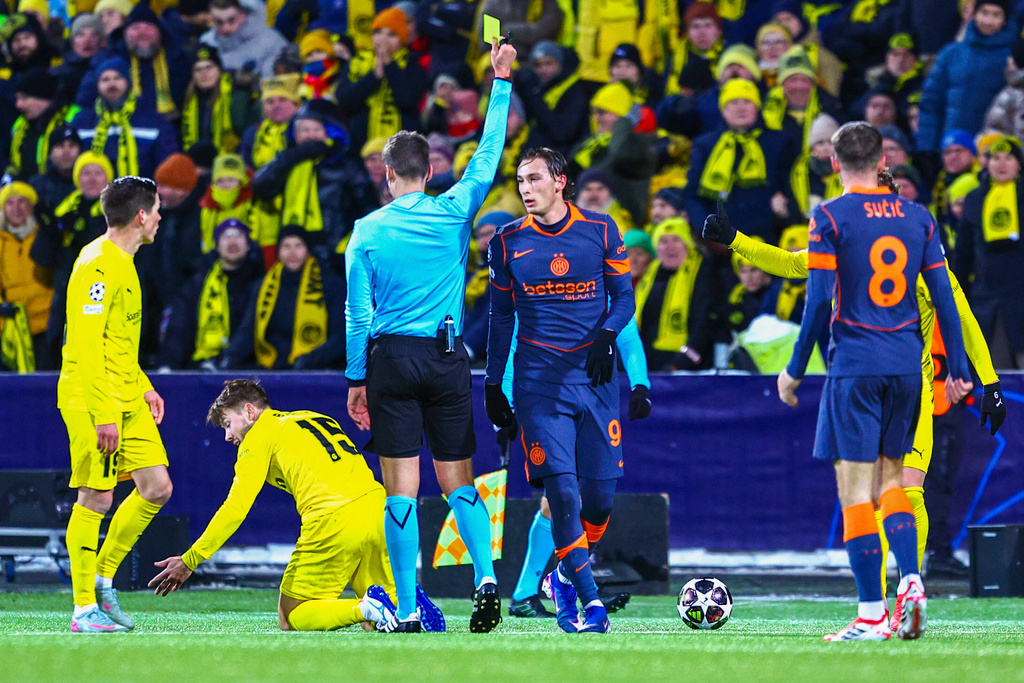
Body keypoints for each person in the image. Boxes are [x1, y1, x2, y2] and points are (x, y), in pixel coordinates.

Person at [705, 169, 1004, 598]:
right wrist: (988, 382)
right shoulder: (917, 250)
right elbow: (960, 316)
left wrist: (736, 240)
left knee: (871, 492)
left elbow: (793, 267)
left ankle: (879, 600)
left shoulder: (841, 241)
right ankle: (907, 588)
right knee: (903, 492)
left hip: (863, 380)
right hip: (907, 385)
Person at [773, 122, 973, 641]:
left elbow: (818, 301)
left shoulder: (830, 217)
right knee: (893, 484)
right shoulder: (919, 218)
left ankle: (870, 615)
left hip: (856, 366)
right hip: (909, 368)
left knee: (855, 492)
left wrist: (795, 369)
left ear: (834, 163)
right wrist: (958, 370)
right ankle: (911, 578)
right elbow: (945, 299)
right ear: (882, 156)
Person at [344, 38, 516, 634]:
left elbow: (356, 315)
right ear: (433, 171)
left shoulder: (366, 230)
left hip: (390, 358)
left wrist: (355, 379)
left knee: (401, 490)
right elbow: (490, 153)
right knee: (458, 481)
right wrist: (500, 81)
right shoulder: (454, 211)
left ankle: (410, 605)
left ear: (388, 174)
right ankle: (487, 581)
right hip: (446, 356)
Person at [484, 146, 636, 635]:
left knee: (599, 501)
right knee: (563, 495)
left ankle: (567, 579)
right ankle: (590, 602)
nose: (525, 189)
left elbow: (625, 298)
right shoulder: (506, 243)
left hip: (594, 383)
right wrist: (492, 382)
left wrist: (607, 335)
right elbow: (500, 317)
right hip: (539, 386)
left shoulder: (601, 230)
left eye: (534, 179)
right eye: (520, 181)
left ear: (560, 181)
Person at [148, 379, 434, 632]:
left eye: (227, 423)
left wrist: (191, 559)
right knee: (379, 623)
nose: (227, 436)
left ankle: (368, 607)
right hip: (377, 510)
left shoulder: (258, 436)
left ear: (249, 412)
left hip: (334, 520)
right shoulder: (312, 417)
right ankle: (408, 609)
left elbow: (235, 508)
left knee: (291, 614)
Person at [58, 176, 173, 633]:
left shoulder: (124, 260)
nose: (161, 217)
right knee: (96, 497)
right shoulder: (99, 265)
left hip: (127, 391)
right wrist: (103, 412)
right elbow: (86, 347)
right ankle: (83, 608)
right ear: (141, 215)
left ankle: (103, 580)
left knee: (157, 487)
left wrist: (143, 383)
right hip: (92, 397)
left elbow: (115, 340)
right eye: (158, 209)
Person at [221, 225, 343, 370]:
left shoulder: (331, 284)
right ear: (278, 252)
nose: (292, 253)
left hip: (317, 370)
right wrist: (229, 357)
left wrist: (313, 358)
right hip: (273, 367)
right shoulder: (263, 286)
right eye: (286, 246)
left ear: (308, 250)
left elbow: (340, 336)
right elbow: (248, 330)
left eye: (298, 246)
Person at [156, 218, 264, 370]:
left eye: (238, 235)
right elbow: (180, 327)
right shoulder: (197, 284)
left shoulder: (261, 284)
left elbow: (249, 331)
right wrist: (168, 364)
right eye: (226, 236)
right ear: (217, 246)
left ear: (248, 245)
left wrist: (225, 360)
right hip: (201, 365)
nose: (232, 242)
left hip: (245, 368)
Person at [72, 56, 179, 179]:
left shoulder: (154, 121)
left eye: (117, 78)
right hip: (97, 195)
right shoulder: (82, 122)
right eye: (105, 80)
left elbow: (169, 164)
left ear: (128, 82)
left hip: (143, 194)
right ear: (97, 85)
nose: (111, 84)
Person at [0, 181, 52, 369]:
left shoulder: (45, 235)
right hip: (11, 327)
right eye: (10, 202)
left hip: (45, 325)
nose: (16, 208)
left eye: (22, 201)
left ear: (31, 206)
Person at [200, 0, 289, 81]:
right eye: (219, 22)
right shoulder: (207, 44)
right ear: (211, 20)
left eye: (231, 20)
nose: (226, 28)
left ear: (243, 16)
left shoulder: (271, 41)